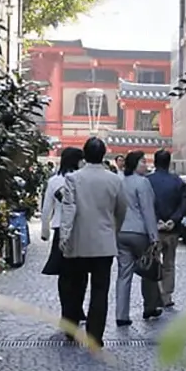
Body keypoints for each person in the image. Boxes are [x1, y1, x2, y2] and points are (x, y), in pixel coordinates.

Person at [60, 137, 128, 347]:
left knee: (75, 286)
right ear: (104, 154)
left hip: (78, 239)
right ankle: (95, 335)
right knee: (100, 290)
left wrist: (64, 236)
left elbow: (68, 209)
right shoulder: (115, 180)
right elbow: (121, 209)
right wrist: (114, 229)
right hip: (104, 241)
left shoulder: (73, 178)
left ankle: (71, 328)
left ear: (85, 154)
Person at [40, 146, 86, 326]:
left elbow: (46, 209)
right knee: (81, 273)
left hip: (60, 229)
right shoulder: (82, 180)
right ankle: (77, 309)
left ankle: (66, 313)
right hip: (80, 229)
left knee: (65, 275)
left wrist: (45, 231)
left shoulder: (53, 181)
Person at [116, 150, 162, 326]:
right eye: (142, 161)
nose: (146, 164)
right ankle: (150, 306)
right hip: (139, 232)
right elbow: (147, 210)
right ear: (135, 164)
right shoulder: (143, 182)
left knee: (123, 273)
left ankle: (121, 314)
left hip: (121, 232)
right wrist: (154, 236)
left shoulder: (119, 182)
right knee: (148, 268)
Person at [146, 149, 185, 309]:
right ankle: (167, 296)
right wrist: (173, 220)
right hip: (172, 230)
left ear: (155, 162)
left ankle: (154, 295)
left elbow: (146, 204)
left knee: (153, 263)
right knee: (169, 264)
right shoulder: (177, 181)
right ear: (169, 163)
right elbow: (183, 204)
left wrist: (157, 220)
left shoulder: (147, 181)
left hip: (154, 230)